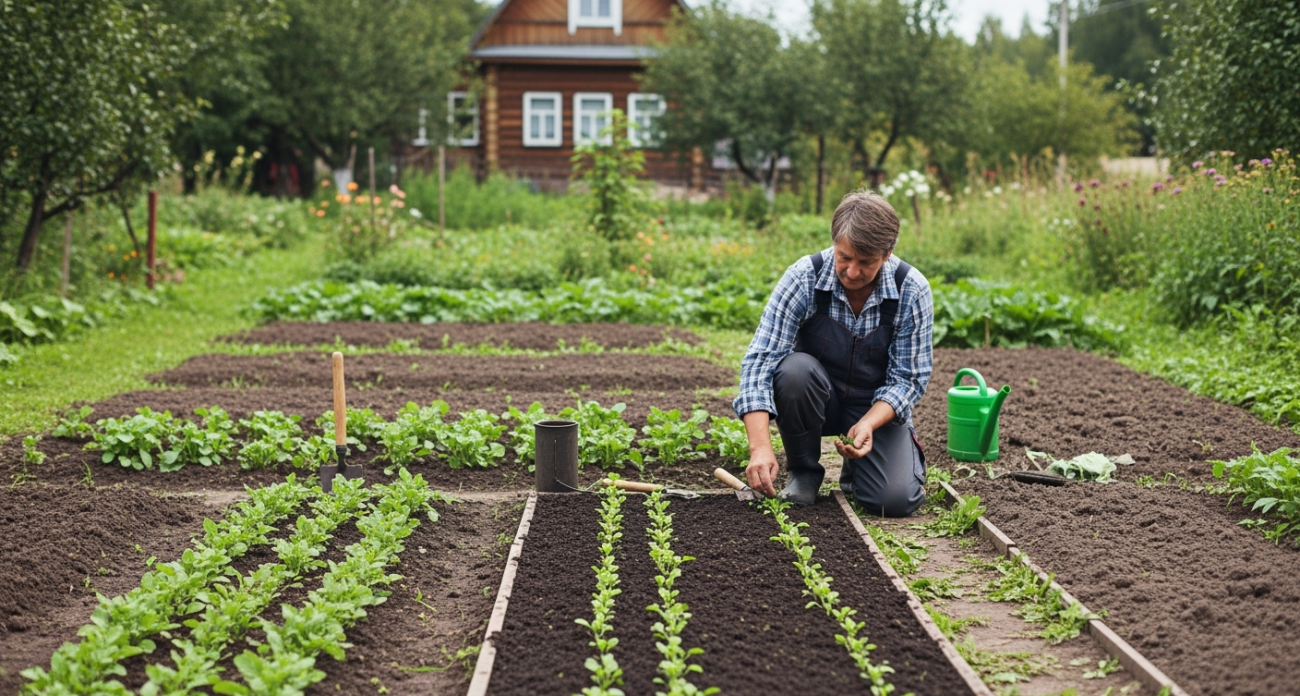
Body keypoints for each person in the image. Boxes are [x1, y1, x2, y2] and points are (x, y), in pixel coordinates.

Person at [734, 191, 934, 515]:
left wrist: (868, 423)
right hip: (817, 399)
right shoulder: (804, 276)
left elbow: (908, 379)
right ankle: (803, 471)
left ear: (887, 253)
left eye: (866, 262)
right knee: (794, 371)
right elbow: (760, 360)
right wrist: (760, 448)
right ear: (834, 243)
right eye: (845, 257)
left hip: (874, 408)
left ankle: (860, 470)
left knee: (893, 501)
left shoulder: (911, 289)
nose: (853, 272)